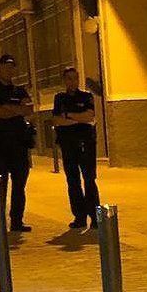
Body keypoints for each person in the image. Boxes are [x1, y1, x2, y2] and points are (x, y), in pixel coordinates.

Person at [0, 54, 35, 233]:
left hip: (19, 144)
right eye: (5, 66)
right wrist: (17, 110)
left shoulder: (20, 90)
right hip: (0, 145)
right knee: (0, 185)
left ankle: (17, 221)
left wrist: (8, 107)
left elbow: (29, 110)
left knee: (19, 184)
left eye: (12, 67)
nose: (9, 70)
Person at [53, 67, 101, 230]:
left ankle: (95, 216)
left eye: (75, 78)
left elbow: (89, 116)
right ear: (64, 81)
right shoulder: (59, 98)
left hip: (86, 143)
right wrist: (76, 118)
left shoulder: (86, 96)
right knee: (72, 181)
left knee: (89, 179)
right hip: (68, 144)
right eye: (69, 78)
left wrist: (69, 116)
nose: (72, 81)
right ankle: (79, 216)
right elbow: (57, 120)